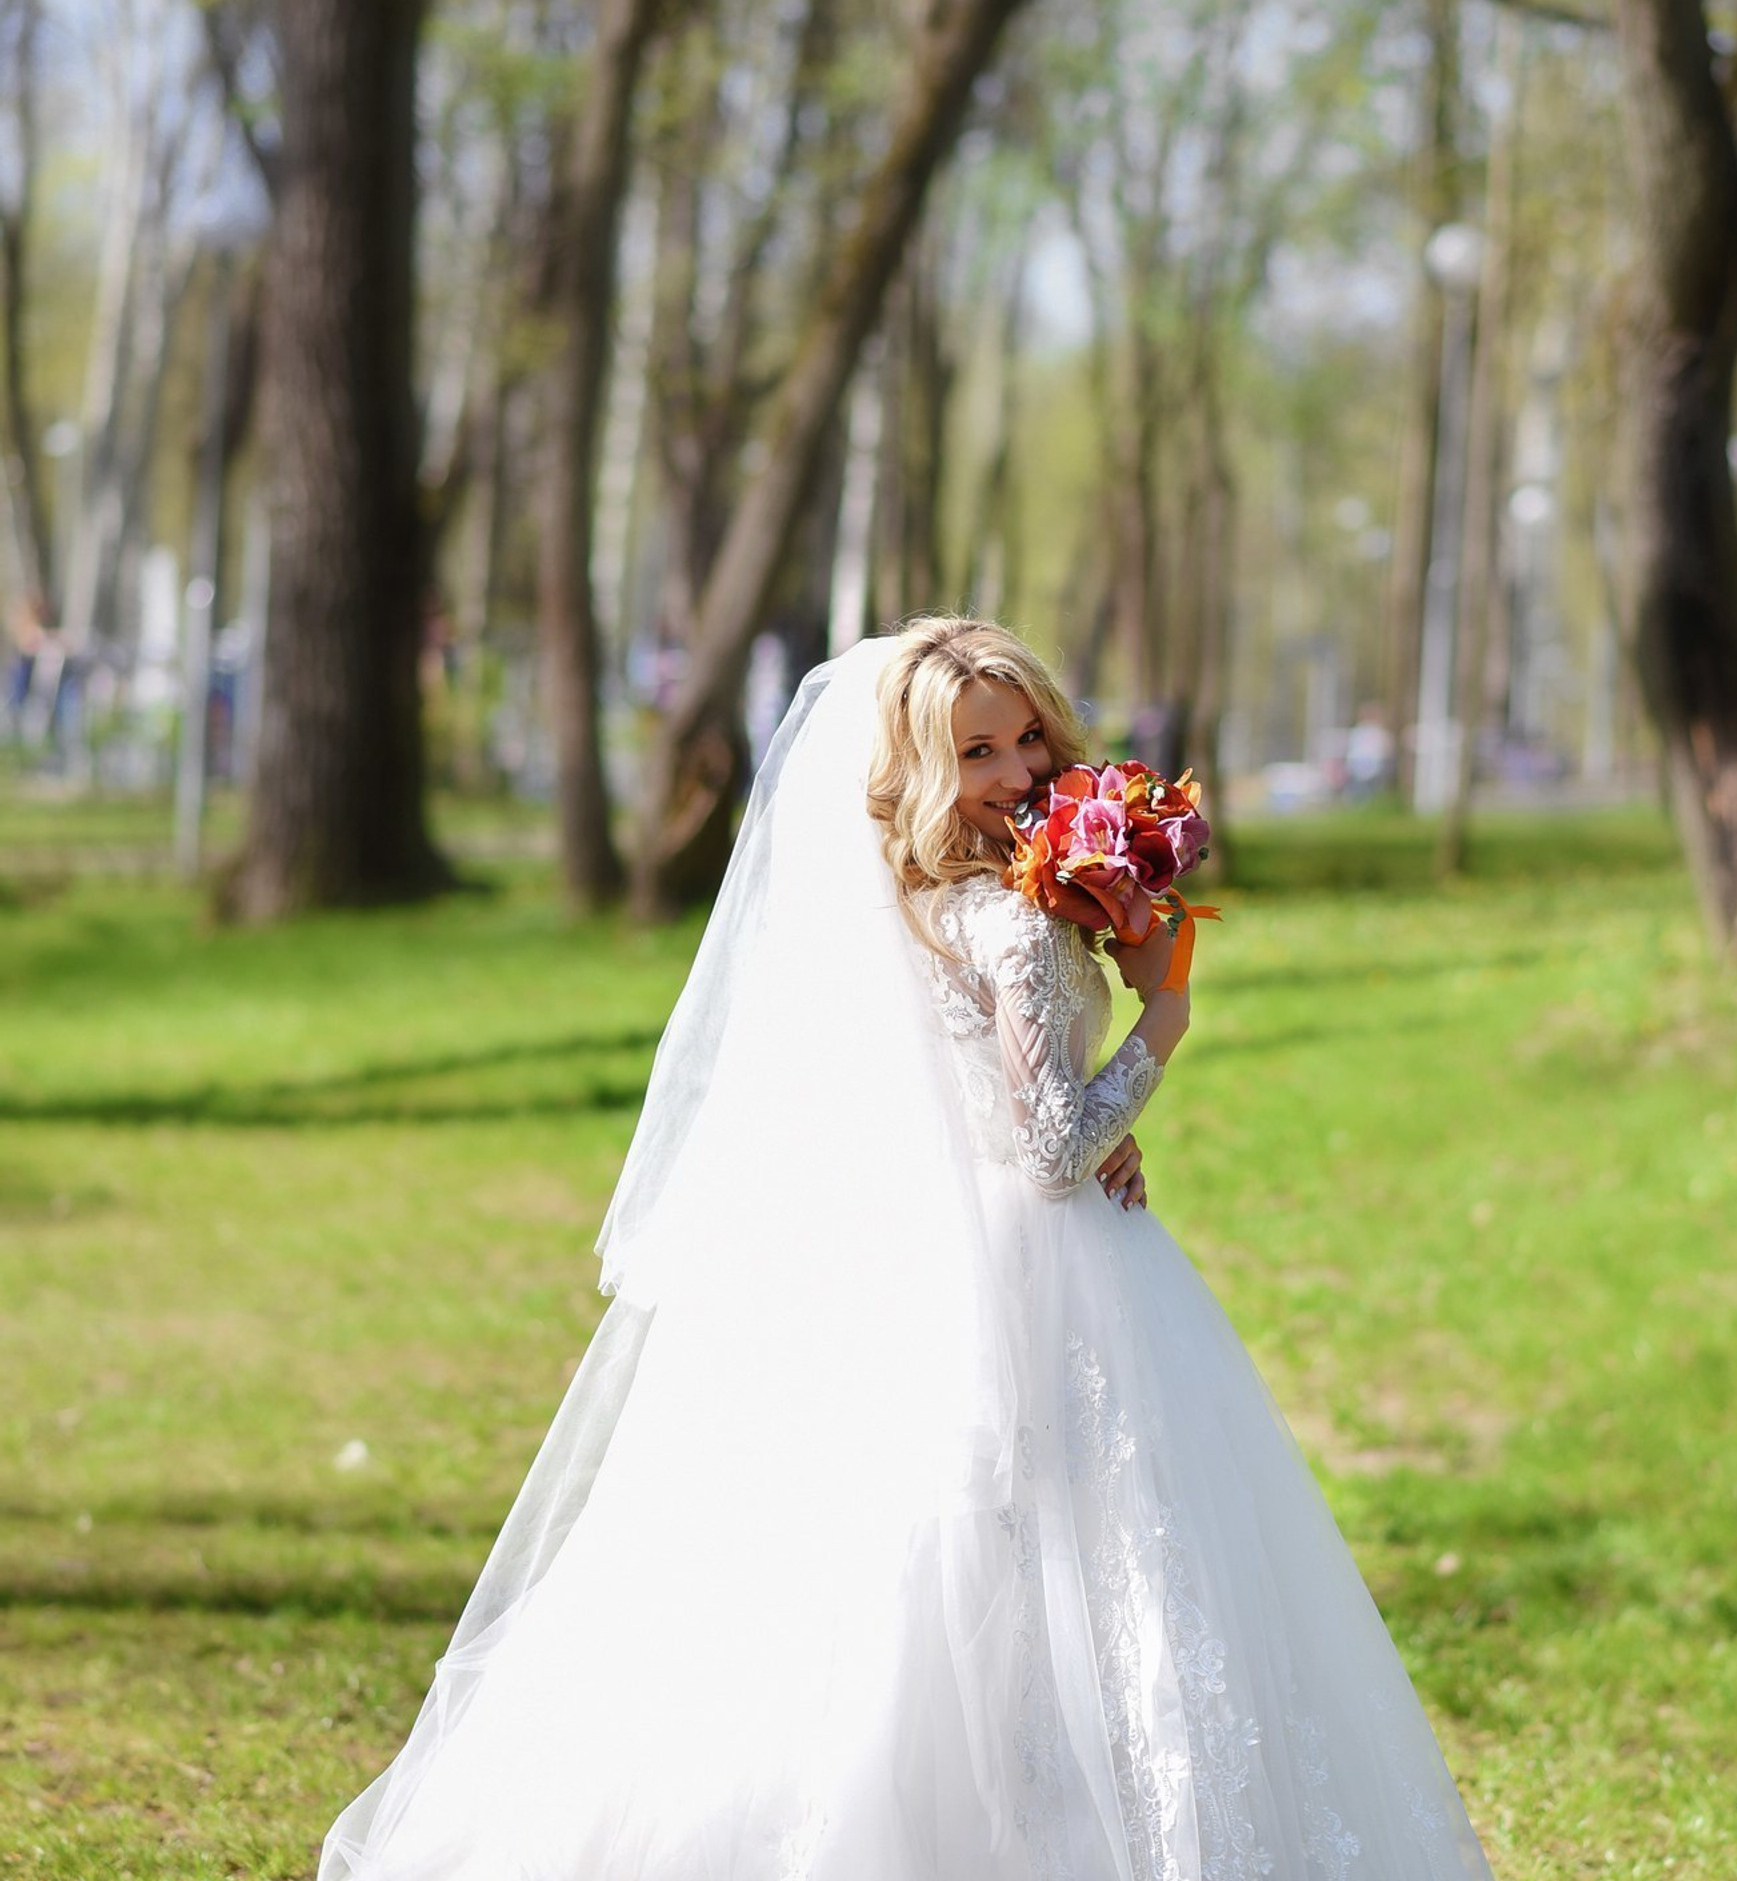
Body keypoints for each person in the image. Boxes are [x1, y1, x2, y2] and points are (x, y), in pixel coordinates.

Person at [317, 618, 1498, 1881]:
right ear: (916, 770)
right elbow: (1046, 1151)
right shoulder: (1013, 923)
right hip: (1037, 1274)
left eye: (1027, 735)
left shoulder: (904, 905)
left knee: (926, 1565)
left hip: (900, 1262)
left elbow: (946, 1104)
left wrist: (1090, 1125)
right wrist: (1163, 1013)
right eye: (975, 750)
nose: (1017, 772)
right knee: (1047, 1552)